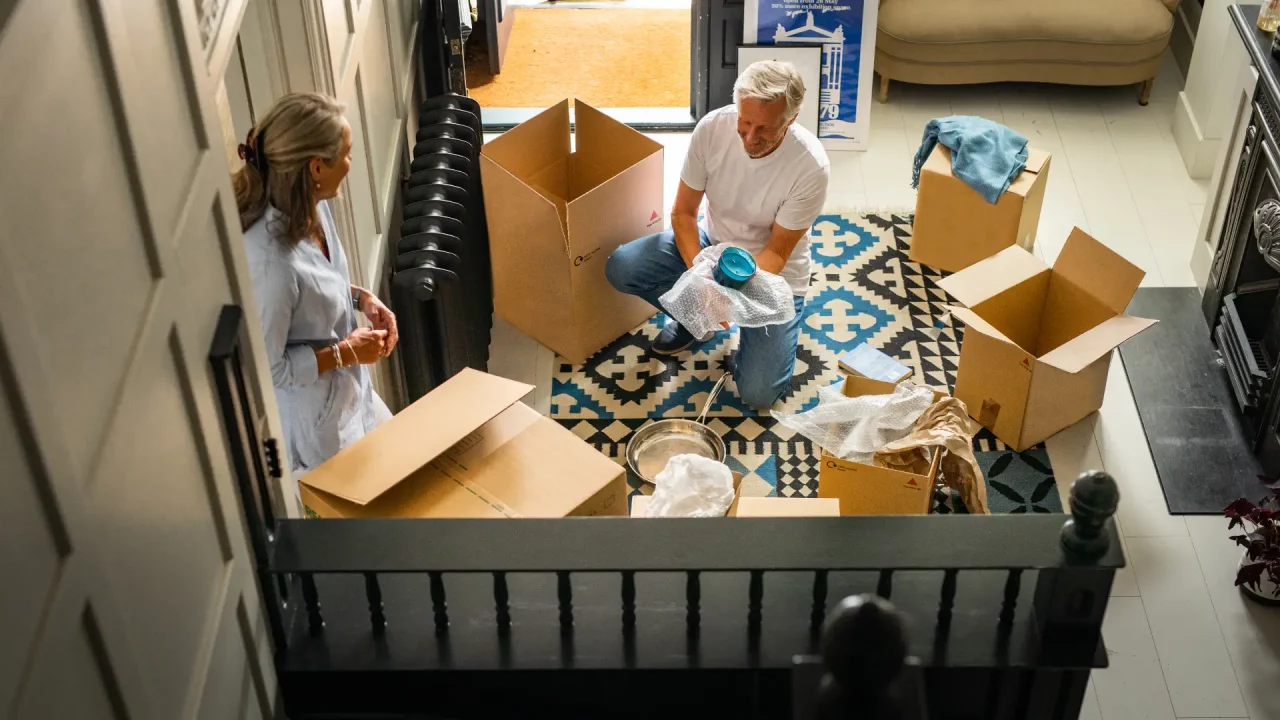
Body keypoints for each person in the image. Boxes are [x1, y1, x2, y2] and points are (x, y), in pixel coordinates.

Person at [605, 61, 830, 409]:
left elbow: (777, 254)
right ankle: (697, 323)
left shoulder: (810, 166)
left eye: (764, 128)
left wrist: (724, 296)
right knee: (622, 267)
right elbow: (682, 213)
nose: (750, 138)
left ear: (791, 120)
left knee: (759, 395)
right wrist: (702, 284)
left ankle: (742, 331)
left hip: (772, 275)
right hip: (712, 248)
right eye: (745, 122)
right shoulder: (712, 129)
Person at [233, 92, 399, 476]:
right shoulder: (271, 264)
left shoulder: (314, 205)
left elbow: (319, 284)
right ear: (316, 167)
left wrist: (362, 299)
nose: (350, 164)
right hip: (319, 423)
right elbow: (270, 370)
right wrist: (345, 353)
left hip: (353, 394)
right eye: (347, 154)